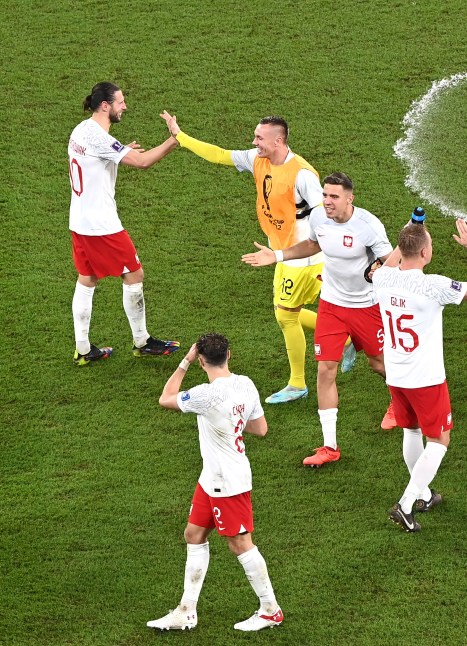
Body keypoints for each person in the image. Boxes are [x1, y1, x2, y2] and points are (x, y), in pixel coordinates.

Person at [161, 112, 357, 405]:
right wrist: (181, 136)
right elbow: (220, 155)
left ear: (278, 141)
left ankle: (298, 383)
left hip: (299, 257)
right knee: (293, 311)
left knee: (286, 315)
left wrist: (334, 244)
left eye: (259, 138)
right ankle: (348, 337)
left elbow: (323, 213)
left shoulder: (302, 175)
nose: (254, 142)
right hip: (281, 253)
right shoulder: (257, 158)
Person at [242, 172, 395, 467]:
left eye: (334, 197)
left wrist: (380, 270)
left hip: (367, 306)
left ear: (350, 198)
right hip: (332, 305)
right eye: (325, 195)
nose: (327, 201)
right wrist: (277, 256)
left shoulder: (368, 225)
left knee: (379, 363)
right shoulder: (318, 218)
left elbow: (389, 259)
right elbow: (313, 245)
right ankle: (329, 447)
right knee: (325, 370)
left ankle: (401, 403)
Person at [150, 333, 282, 632]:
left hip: (228, 480)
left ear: (200, 360)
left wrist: (183, 361)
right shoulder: (245, 383)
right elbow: (260, 429)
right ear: (229, 355)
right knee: (194, 534)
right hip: (211, 478)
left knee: (240, 543)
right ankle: (186, 610)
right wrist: (232, 422)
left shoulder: (204, 395)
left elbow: (165, 398)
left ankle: (270, 609)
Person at [372, 220, 467, 532]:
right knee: (439, 439)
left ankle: (423, 495)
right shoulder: (433, 285)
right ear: (425, 252)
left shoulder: (382, 277)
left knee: (410, 431)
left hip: (395, 374)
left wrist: (406, 235)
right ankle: (407, 502)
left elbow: (388, 264)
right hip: (425, 377)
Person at [69, 82, 181, 365]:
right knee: (134, 275)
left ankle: (83, 349)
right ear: (105, 106)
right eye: (120, 102)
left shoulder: (81, 130)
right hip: (102, 226)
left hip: (79, 221)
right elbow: (142, 162)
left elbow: (98, 157)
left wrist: (117, 153)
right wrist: (173, 140)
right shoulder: (99, 138)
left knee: (87, 279)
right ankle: (142, 341)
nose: (124, 106)